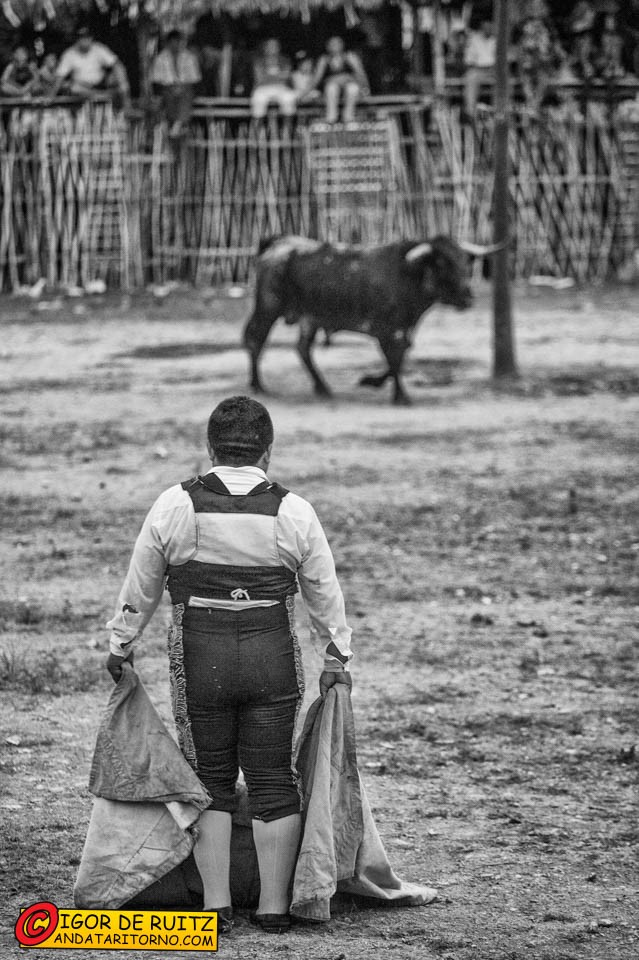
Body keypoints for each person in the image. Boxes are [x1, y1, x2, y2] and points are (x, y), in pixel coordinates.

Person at [106, 396, 353, 934]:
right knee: (273, 776)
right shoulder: (294, 509)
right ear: (267, 452)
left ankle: (214, 905)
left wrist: (120, 643)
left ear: (210, 449)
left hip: (201, 655)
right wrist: (337, 656)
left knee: (210, 777)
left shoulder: (175, 503)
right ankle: (273, 906)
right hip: (271, 655)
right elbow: (324, 593)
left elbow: (141, 585)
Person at [52, 26, 130, 106]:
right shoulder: (69, 53)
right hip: (81, 88)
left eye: (87, 37)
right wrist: (51, 96)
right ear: (77, 39)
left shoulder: (99, 48)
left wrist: (122, 83)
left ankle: (127, 105)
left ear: (91, 38)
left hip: (101, 84)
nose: (85, 40)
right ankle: (100, 96)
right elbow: (60, 76)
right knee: (70, 86)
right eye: (82, 38)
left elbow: (116, 64)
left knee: (119, 72)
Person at [150, 30, 202, 137]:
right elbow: (156, 79)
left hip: (186, 88)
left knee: (185, 94)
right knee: (168, 95)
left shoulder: (190, 57)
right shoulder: (160, 58)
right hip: (167, 89)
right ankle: (178, 124)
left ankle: (178, 124)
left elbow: (195, 79)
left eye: (178, 41)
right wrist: (171, 87)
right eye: (173, 42)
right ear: (168, 43)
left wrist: (181, 87)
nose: (176, 44)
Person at [311, 35, 369, 123]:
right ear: (327, 46)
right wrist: (305, 93)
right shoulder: (324, 59)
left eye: (337, 43)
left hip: (349, 87)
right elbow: (317, 79)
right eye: (332, 44)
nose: (335, 46)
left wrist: (366, 88)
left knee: (352, 88)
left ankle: (348, 117)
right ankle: (331, 118)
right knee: (332, 88)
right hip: (330, 89)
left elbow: (361, 73)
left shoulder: (350, 56)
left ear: (342, 45)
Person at [250, 38, 297, 119]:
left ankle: (287, 126)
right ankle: (258, 126)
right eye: (270, 46)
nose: (273, 48)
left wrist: (268, 75)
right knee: (259, 100)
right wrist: (279, 75)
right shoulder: (259, 61)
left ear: (279, 48)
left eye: (275, 46)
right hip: (263, 88)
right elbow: (259, 78)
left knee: (289, 98)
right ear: (265, 48)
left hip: (281, 87)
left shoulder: (284, 60)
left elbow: (286, 77)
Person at [462, 19, 496, 117]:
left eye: (490, 27)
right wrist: (477, 67)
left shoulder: (496, 39)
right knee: (470, 77)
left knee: (505, 78)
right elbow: (468, 60)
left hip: (494, 70)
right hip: (478, 70)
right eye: (486, 27)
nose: (488, 29)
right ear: (482, 28)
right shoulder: (474, 40)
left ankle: (500, 111)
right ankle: (470, 113)